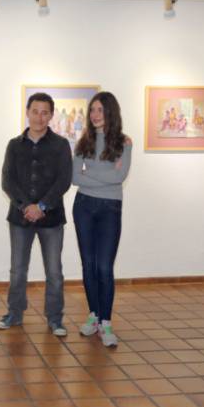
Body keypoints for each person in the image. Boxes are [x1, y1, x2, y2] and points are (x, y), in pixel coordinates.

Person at [0, 92, 72, 336]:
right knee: (18, 270)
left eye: (44, 113)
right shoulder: (14, 145)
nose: (39, 117)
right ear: (27, 112)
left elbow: (64, 181)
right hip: (20, 218)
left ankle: (55, 319)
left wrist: (42, 206)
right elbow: (7, 180)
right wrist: (26, 206)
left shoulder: (61, 145)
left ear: (51, 115)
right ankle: (14, 314)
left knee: (54, 272)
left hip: (52, 219)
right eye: (35, 111)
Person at [72, 92, 132, 347]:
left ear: (110, 112)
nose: (95, 115)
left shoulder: (124, 142)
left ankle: (106, 323)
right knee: (88, 265)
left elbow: (119, 178)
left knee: (104, 267)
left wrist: (89, 173)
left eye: (100, 110)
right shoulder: (83, 141)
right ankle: (94, 316)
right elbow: (75, 177)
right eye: (92, 110)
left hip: (110, 208)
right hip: (83, 206)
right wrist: (103, 175)